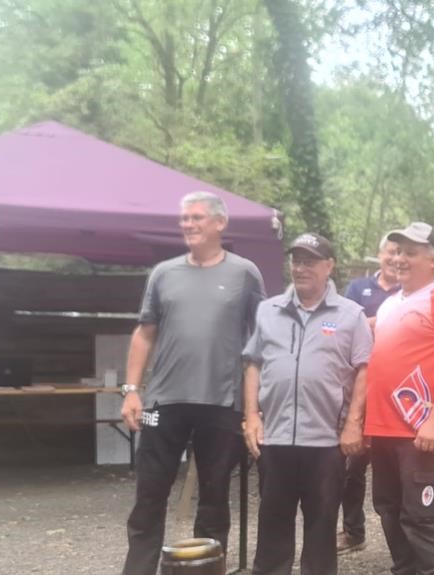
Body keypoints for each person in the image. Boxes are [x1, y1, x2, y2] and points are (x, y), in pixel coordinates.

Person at [120, 191, 266, 575]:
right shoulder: (163, 273)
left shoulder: (244, 273)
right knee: (149, 494)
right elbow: (144, 333)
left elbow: (261, 339)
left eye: (197, 217)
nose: (188, 224)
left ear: (220, 223)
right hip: (163, 401)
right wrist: (131, 391)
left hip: (222, 401)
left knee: (214, 497)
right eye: (184, 218)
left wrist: (255, 408)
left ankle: (207, 569)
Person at [243, 232, 373, 575]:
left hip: (326, 441)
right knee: (272, 523)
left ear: (329, 266)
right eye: (296, 261)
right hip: (275, 438)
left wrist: (353, 424)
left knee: (321, 525)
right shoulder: (268, 310)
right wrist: (252, 416)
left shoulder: (351, 315)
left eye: (310, 262)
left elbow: (364, 370)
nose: (300, 268)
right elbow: (253, 364)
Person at [361, 221, 434, 575]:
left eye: (410, 253)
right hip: (382, 429)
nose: (399, 259)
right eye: (397, 252)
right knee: (389, 511)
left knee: (420, 519)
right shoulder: (390, 304)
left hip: (420, 431)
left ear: (433, 259)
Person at [337, 234, 399, 555]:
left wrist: (369, 322)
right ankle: (353, 532)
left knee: (397, 468)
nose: (395, 258)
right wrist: (382, 321)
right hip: (360, 388)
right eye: (390, 251)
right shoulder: (357, 287)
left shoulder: (410, 291)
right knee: (352, 465)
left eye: (400, 252)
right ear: (380, 254)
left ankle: (403, 538)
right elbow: (343, 326)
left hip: (396, 392)